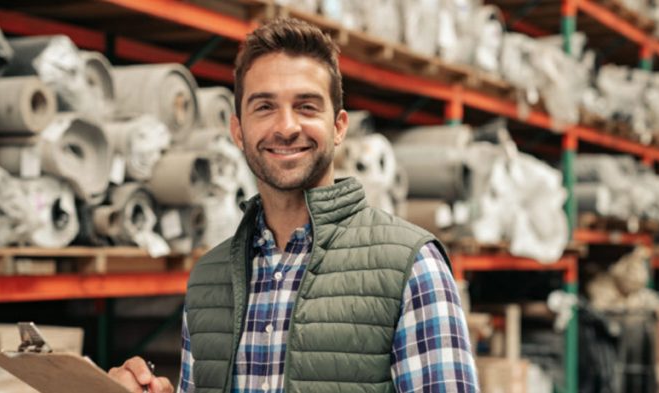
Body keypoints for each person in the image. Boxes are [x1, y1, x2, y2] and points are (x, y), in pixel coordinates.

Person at [109, 18, 478, 393]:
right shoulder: (209, 278)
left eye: (306, 106)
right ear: (238, 131)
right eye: (265, 107)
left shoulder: (411, 267)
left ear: (338, 127)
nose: (286, 127)